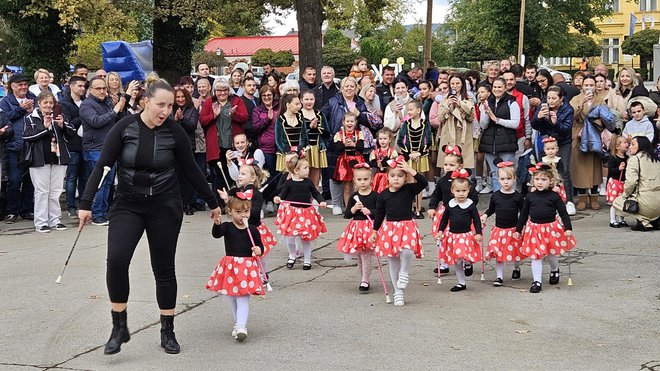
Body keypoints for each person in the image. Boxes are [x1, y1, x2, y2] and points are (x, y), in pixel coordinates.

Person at [78, 75, 222, 355]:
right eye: (160, 105)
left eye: (169, 106)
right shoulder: (124, 128)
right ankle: (119, 326)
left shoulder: (175, 132)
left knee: (164, 268)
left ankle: (167, 330)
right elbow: (102, 167)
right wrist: (86, 203)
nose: (165, 111)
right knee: (117, 261)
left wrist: (212, 201)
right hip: (128, 204)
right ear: (145, 101)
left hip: (165, 206)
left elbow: (191, 169)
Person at [368, 158, 428, 306]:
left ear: (405, 178)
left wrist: (409, 169)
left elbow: (423, 183)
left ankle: (404, 272)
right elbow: (380, 214)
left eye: (400, 176)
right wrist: (375, 230)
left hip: (407, 225)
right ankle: (398, 292)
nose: (396, 179)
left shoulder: (409, 189)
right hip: (390, 228)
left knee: (408, 250)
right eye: (393, 175)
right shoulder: (383, 194)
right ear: (387, 177)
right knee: (393, 260)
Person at [206, 193, 264, 342]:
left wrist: (259, 250)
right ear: (230, 211)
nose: (243, 215)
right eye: (238, 212)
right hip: (231, 266)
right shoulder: (227, 227)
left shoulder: (252, 230)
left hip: (246, 267)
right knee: (231, 297)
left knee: (243, 297)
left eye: (246, 211)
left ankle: (241, 326)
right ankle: (238, 323)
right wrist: (217, 224)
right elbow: (216, 234)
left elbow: (260, 246)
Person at [516, 164, 576, 293]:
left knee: (551, 254)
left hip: (551, 229)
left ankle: (555, 270)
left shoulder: (554, 196)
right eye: (537, 179)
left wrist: (568, 228)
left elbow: (563, 213)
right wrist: (518, 229)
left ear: (551, 181)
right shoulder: (530, 197)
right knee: (536, 256)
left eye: (544, 180)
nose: (540, 182)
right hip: (534, 229)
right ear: (533, 181)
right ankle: (537, 281)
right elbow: (524, 214)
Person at [22, 91, 75, 232]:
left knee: (56, 191)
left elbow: (71, 134)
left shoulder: (58, 116)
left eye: (51, 103)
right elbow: (27, 137)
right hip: (39, 160)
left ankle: (55, 220)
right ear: (39, 103)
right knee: (41, 192)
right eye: (45, 102)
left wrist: (62, 125)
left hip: (57, 158)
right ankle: (41, 222)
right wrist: (45, 127)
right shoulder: (31, 118)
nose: (48, 105)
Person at [79, 76, 126, 225]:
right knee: (100, 182)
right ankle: (97, 214)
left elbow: (117, 121)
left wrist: (116, 107)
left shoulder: (106, 103)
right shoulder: (86, 105)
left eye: (103, 88)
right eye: (98, 88)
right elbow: (96, 122)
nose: (102, 91)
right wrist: (115, 110)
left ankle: (104, 213)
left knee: (108, 183)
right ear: (90, 90)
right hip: (94, 148)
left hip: (108, 147)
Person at [428, 146, 479, 275]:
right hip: (446, 213)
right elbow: (436, 195)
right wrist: (432, 207)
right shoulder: (442, 181)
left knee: (464, 239)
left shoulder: (465, 182)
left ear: (460, 165)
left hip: (463, 212)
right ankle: (444, 263)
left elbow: (474, 197)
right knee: (442, 238)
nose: (448, 167)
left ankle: (466, 261)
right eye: (445, 164)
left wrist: (468, 206)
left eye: (452, 164)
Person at [322, 76, 370, 214]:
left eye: (352, 86)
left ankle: (355, 206)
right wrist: (329, 134)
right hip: (337, 140)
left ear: (356, 88)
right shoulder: (333, 101)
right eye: (346, 86)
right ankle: (337, 203)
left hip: (355, 146)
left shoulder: (360, 102)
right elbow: (322, 117)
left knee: (353, 181)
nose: (349, 89)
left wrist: (359, 114)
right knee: (336, 175)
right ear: (341, 88)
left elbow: (366, 120)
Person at [219, 160, 275, 276]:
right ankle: (248, 274)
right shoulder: (239, 192)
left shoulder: (256, 194)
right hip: (242, 228)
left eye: (243, 174)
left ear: (253, 178)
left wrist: (246, 208)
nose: (240, 176)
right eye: (240, 173)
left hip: (255, 227)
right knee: (245, 252)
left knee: (259, 253)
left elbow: (255, 212)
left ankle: (263, 274)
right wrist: (227, 200)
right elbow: (234, 209)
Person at [199, 78, 249, 206]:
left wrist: (234, 114)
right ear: (215, 91)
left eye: (225, 90)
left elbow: (245, 117)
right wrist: (214, 116)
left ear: (229, 90)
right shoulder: (210, 102)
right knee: (218, 175)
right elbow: (202, 120)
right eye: (219, 90)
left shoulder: (236, 101)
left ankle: (235, 201)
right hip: (217, 145)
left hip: (233, 145)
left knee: (233, 174)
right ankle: (219, 203)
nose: (222, 93)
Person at [273, 155, 328, 270]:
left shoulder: (308, 182)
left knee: (305, 238)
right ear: (296, 170)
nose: (308, 170)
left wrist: (321, 201)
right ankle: (292, 254)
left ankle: (307, 260)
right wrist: (278, 198)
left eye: (308, 167)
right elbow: (283, 193)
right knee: (290, 236)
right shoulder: (289, 183)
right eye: (306, 168)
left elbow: (315, 193)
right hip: (292, 213)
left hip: (306, 213)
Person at [531, 86, 576, 214]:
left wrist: (555, 122)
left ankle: (569, 201)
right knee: (544, 169)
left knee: (564, 170)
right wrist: (538, 117)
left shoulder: (568, 109)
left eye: (554, 98)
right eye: (548, 98)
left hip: (562, 142)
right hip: (545, 142)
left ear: (561, 99)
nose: (550, 101)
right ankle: (545, 199)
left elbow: (566, 129)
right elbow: (534, 124)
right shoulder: (543, 106)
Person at [438, 170, 483, 292]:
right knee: (457, 259)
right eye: (458, 191)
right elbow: (444, 219)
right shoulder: (450, 205)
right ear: (452, 191)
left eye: (464, 191)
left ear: (469, 190)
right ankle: (461, 282)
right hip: (453, 235)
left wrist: (478, 233)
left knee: (464, 255)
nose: (461, 194)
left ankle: (468, 263)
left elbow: (477, 220)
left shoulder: (470, 205)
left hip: (466, 235)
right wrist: (441, 231)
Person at [0, 73, 37, 223]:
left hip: (33, 144)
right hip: (14, 146)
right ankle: (12, 211)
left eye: (25, 84)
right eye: (19, 85)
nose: (23, 87)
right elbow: (5, 119)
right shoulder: (5, 101)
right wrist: (21, 109)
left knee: (30, 180)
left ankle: (27, 209)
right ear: (12, 86)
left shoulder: (34, 97)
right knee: (14, 181)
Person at [480, 160, 524, 285]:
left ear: (514, 179)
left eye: (509, 178)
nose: (506, 182)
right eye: (503, 179)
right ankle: (499, 276)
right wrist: (485, 215)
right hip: (499, 230)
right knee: (498, 253)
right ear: (498, 180)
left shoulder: (518, 197)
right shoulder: (496, 196)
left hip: (513, 229)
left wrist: (522, 226)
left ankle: (516, 268)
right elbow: (491, 209)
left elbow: (524, 212)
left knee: (515, 251)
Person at [336, 164, 377, 292]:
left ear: (371, 179)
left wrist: (370, 211)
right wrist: (354, 209)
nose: (363, 182)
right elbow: (347, 214)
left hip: (370, 228)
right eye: (359, 180)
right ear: (354, 180)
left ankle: (365, 279)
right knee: (359, 256)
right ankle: (363, 277)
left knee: (366, 255)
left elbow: (382, 212)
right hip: (356, 228)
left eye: (366, 179)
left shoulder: (375, 196)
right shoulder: (354, 196)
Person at [570, 76, 608, 211]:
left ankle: (594, 197)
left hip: (594, 134)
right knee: (580, 167)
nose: (589, 87)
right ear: (582, 86)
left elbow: (606, 117)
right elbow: (571, 114)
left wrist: (597, 124)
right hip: (579, 134)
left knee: (594, 167)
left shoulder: (600, 100)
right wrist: (582, 103)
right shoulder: (576, 99)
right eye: (586, 84)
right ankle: (581, 197)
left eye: (592, 84)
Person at [478, 78, 521, 192]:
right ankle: (498, 199)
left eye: (499, 87)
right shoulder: (487, 102)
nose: (497, 89)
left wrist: (497, 120)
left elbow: (515, 123)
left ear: (505, 88)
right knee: (494, 173)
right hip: (489, 143)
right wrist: (486, 114)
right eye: (495, 87)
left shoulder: (512, 102)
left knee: (507, 172)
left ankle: (510, 198)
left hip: (506, 142)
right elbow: (483, 125)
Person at [613, 136, 660, 231]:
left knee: (617, 201)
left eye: (633, 144)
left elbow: (631, 182)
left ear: (641, 146)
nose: (630, 147)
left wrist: (625, 195)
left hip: (646, 203)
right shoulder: (656, 160)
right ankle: (654, 219)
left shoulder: (635, 159)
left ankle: (644, 221)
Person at [432, 73, 476, 170]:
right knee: (448, 164)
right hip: (448, 133)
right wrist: (448, 106)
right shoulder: (444, 100)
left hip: (463, 135)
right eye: (452, 84)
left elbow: (471, 117)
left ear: (462, 84)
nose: (455, 86)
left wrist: (460, 105)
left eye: (457, 83)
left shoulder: (469, 98)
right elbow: (440, 118)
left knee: (463, 164)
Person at [397, 100, 432, 218]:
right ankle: (410, 207)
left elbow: (429, 140)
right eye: (408, 109)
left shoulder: (424, 123)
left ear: (418, 110)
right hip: (410, 156)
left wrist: (419, 152)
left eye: (411, 109)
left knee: (419, 182)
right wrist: (409, 153)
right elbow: (400, 140)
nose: (409, 112)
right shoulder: (406, 124)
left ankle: (418, 208)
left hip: (421, 156)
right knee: (410, 181)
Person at [59, 75, 87, 218]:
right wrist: (83, 114)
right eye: (79, 86)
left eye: (84, 86)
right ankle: (71, 207)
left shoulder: (86, 102)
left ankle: (83, 205)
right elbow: (68, 124)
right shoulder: (65, 103)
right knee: (71, 177)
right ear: (71, 86)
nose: (82, 88)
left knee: (84, 178)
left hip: (86, 145)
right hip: (72, 145)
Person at [173, 85, 200, 215]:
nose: (180, 99)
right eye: (177, 97)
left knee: (188, 177)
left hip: (188, 147)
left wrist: (182, 119)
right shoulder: (170, 109)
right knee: (176, 177)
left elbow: (192, 126)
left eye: (182, 96)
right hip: (173, 147)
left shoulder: (192, 109)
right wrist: (175, 119)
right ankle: (179, 203)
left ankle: (189, 203)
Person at [333, 112, 365, 207]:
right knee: (346, 187)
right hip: (344, 162)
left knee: (357, 185)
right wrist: (345, 145)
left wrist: (353, 144)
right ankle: (348, 207)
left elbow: (361, 148)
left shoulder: (359, 134)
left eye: (352, 121)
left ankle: (358, 206)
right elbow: (338, 149)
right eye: (347, 121)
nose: (349, 123)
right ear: (343, 122)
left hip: (357, 160)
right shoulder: (339, 134)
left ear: (355, 122)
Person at [300, 90, 329, 190]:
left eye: (311, 99)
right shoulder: (298, 114)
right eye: (306, 99)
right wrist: (309, 127)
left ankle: (315, 204)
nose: (309, 102)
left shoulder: (320, 114)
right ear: (301, 100)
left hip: (317, 149)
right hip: (303, 150)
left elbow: (327, 133)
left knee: (315, 180)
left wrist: (316, 128)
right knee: (302, 178)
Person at [252, 85, 279, 183]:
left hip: (279, 146)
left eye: (269, 95)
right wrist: (267, 119)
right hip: (266, 147)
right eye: (264, 95)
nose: (267, 97)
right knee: (269, 173)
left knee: (279, 174)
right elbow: (256, 127)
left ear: (273, 95)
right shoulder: (257, 110)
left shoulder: (279, 108)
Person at [275, 94, 307, 171]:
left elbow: (304, 137)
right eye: (296, 104)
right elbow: (278, 140)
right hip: (286, 155)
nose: (299, 106)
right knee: (286, 178)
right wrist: (287, 152)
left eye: (299, 104)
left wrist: (300, 149)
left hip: (299, 154)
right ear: (288, 105)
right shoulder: (280, 120)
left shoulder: (300, 119)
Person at [606, 134, 629, 228]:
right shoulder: (613, 158)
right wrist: (618, 168)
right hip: (615, 182)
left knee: (622, 202)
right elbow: (610, 170)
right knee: (615, 203)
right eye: (625, 142)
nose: (627, 144)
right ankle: (612, 219)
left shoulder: (627, 158)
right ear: (617, 146)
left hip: (624, 182)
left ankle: (621, 219)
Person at [369, 128, 398, 192]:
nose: (382, 141)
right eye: (380, 139)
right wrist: (377, 164)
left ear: (390, 139)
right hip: (378, 176)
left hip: (389, 176)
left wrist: (386, 163)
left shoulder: (392, 152)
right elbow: (372, 163)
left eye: (385, 139)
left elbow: (394, 164)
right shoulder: (375, 152)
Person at [540, 137, 568, 202]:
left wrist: (558, 184)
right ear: (544, 150)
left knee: (557, 196)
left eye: (553, 148)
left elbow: (561, 173)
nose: (550, 151)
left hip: (556, 181)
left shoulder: (558, 160)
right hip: (545, 181)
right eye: (548, 149)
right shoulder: (543, 160)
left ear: (557, 149)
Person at [240, 77, 260, 145]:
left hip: (260, 137)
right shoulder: (240, 101)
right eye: (249, 85)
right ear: (243, 87)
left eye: (254, 85)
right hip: (247, 137)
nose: (252, 87)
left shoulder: (259, 100)